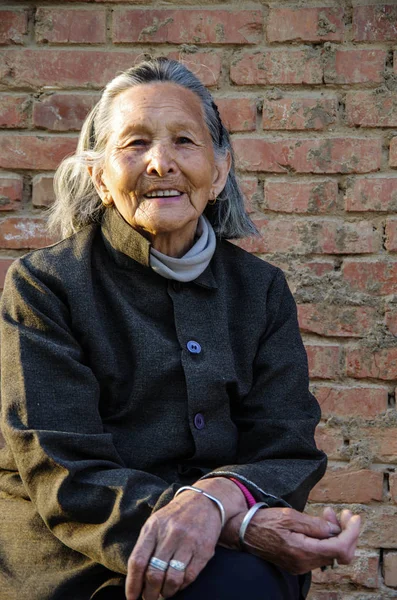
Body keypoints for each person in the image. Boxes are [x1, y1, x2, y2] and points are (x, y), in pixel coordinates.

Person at [0, 58, 360, 600]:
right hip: (78, 558)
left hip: (231, 549)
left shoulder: (259, 290)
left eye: (184, 142)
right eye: (135, 144)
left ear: (218, 173)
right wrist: (231, 521)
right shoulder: (45, 285)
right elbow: (63, 470)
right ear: (98, 176)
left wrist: (218, 499)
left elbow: (286, 447)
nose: (160, 163)